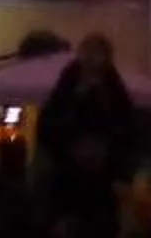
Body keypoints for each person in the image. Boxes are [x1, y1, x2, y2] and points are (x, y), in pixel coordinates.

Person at [39, 35, 141, 172]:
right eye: (89, 51)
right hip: (69, 165)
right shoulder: (69, 82)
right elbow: (51, 122)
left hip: (102, 165)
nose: (92, 58)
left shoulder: (112, 85)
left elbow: (126, 123)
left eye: (97, 52)